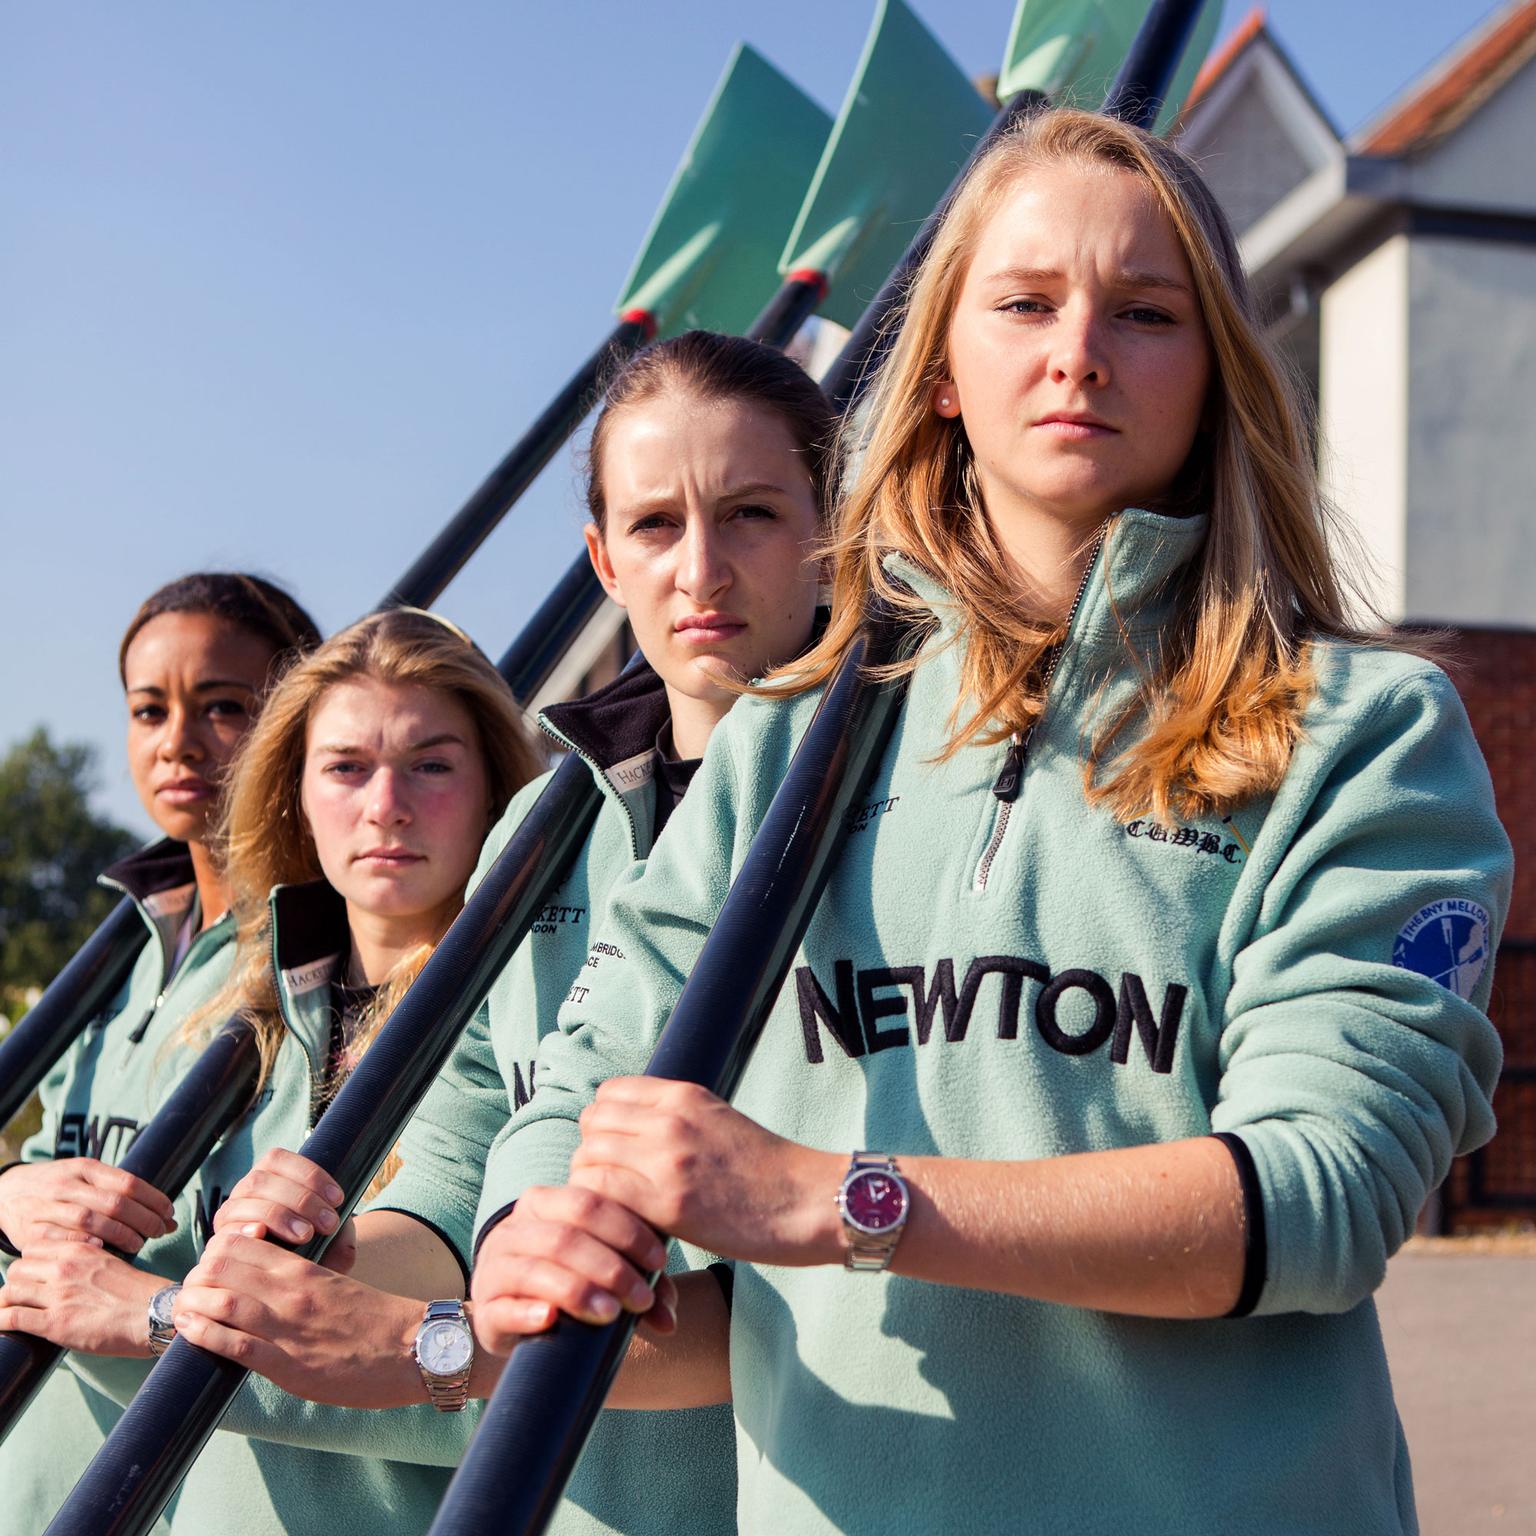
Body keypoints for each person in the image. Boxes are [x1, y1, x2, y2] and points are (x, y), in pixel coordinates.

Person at [463, 110, 1512, 1535]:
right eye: (1023, 304)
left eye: (1146, 313)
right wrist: (528, 1225)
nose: (1078, 350)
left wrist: (844, 1200)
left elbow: (1322, 1193)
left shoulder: (1361, 727)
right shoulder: (792, 735)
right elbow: (593, 1064)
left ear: (1214, 373)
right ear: (944, 368)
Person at [169, 332, 836, 1534]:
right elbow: (468, 1141)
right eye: (652, 526)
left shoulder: (887, 789)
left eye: (748, 513)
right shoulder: (548, 820)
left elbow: (798, 1297)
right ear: (599, 559)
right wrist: (307, 1270)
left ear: (829, 527)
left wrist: (429, 1343)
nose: (701, 571)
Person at [0, 572, 320, 1534]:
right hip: (33, 1464)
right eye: (150, 709)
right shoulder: (122, 946)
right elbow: (44, 1174)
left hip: (188, 1477)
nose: (177, 741)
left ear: (295, 717)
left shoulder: (321, 950)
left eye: (224, 706)